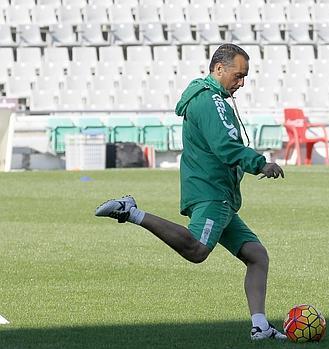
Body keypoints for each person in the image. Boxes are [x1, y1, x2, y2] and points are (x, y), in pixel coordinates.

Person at [95, 44, 287, 341]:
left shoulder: (210, 99)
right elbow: (226, 147)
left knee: (257, 255)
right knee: (197, 250)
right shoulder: (211, 102)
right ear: (219, 69)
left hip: (218, 194)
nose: (242, 83)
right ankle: (131, 211)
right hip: (212, 193)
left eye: (245, 76)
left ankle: (260, 326)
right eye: (238, 75)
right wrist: (260, 164)